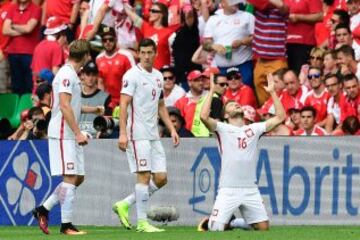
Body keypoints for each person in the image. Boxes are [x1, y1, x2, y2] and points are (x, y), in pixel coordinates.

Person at [32, 40, 104, 235]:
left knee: (78, 177)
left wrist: (92, 109)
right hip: (64, 132)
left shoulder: (71, 74)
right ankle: (66, 225)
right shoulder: (66, 75)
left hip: (70, 132)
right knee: (70, 177)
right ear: (86, 56)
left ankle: (43, 209)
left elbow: (71, 104)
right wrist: (79, 132)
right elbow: (63, 106)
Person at [199, 73, 286, 231]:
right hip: (228, 188)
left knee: (263, 229)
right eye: (231, 105)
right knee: (215, 229)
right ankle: (220, 221)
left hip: (250, 188)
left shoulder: (254, 128)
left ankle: (233, 223)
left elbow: (280, 117)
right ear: (225, 115)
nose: (236, 104)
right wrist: (211, 92)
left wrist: (273, 92)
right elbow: (203, 117)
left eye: (237, 104)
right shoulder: (222, 129)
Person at [113, 38, 180, 233]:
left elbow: (160, 106)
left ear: (155, 53)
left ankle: (124, 204)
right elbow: (123, 104)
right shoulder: (132, 75)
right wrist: (123, 133)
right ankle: (142, 223)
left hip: (153, 135)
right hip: (137, 134)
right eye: (143, 53)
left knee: (161, 178)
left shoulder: (159, 76)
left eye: (150, 52)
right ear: (138, 54)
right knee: (143, 176)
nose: (146, 56)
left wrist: (172, 129)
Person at [96, 26, 133, 110]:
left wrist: (126, 101)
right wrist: (102, 101)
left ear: (116, 40)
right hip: (108, 103)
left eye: (111, 39)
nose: (108, 42)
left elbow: (133, 80)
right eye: (104, 40)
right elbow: (100, 83)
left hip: (125, 101)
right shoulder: (98, 59)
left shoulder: (126, 56)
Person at [79, 60, 110, 138]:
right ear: (82, 75)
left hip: (96, 142)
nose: (90, 78)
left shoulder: (105, 97)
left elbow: (109, 122)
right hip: (76, 138)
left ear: (97, 76)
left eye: (93, 75)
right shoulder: (75, 96)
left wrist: (103, 133)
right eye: (88, 74)